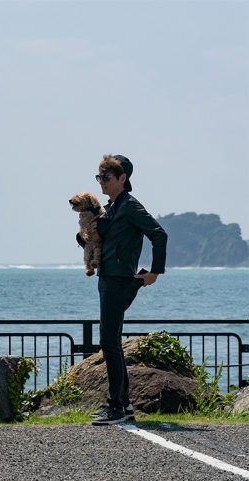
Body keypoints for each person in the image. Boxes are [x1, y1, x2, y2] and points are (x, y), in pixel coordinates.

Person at [88, 154, 167, 425]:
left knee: (109, 341)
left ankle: (116, 407)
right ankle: (123, 405)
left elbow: (159, 234)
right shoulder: (111, 207)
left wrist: (155, 271)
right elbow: (103, 237)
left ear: (123, 179)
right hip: (107, 277)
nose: (102, 183)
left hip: (120, 279)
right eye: (99, 177)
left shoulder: (130, 206)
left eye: (107, 178)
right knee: (112, 342)